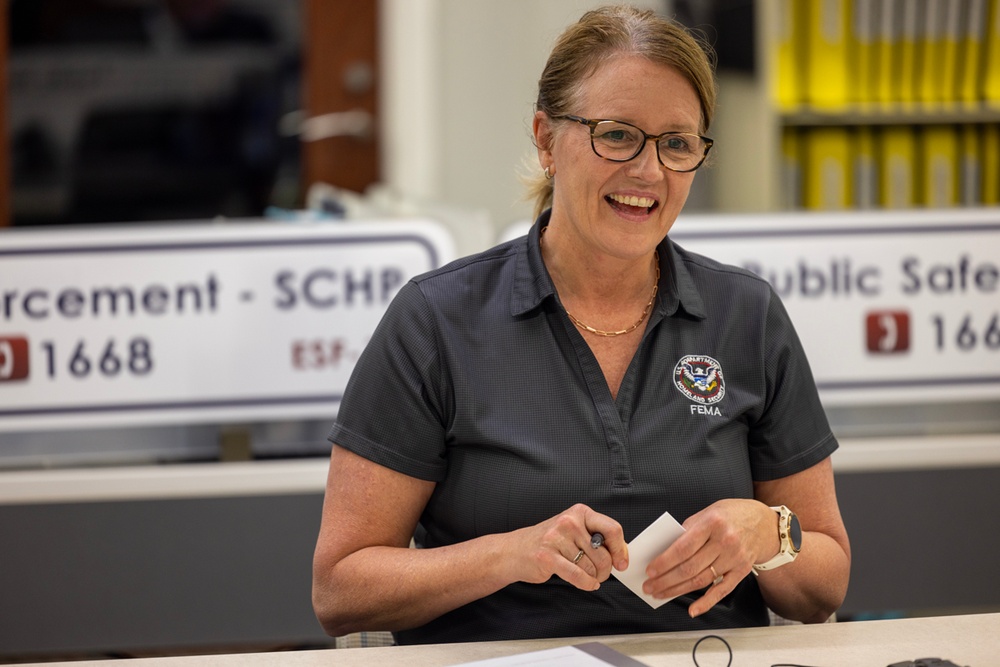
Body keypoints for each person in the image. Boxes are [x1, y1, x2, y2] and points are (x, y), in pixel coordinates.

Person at [312, 4, 850, 645]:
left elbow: (825, 587)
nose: (648, 172)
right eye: (617, 135)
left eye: (677, 144)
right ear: (545, 140)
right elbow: (340, 589)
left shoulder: (746, 314)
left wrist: (772, 535)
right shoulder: (436, 320)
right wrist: (511, 554)